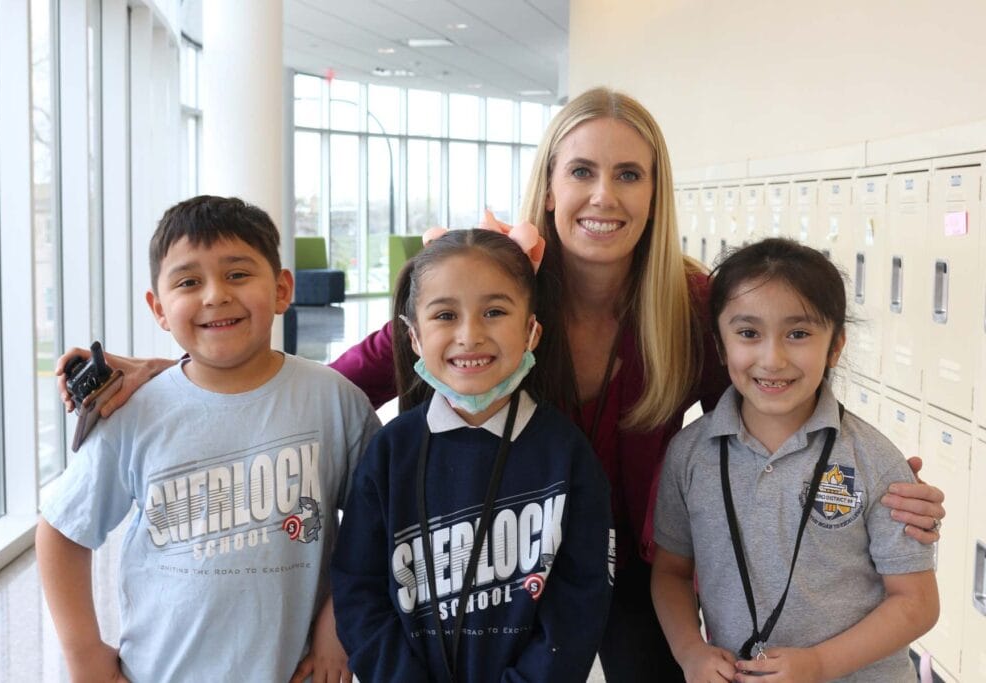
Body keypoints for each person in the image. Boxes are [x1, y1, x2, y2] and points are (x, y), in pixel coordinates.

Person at [55, 87, 946, 680]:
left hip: (635, 570)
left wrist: (865, 469)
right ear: (550, 184)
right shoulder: (499, 290)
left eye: (629, 174)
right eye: (583, 171)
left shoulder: (693, 302)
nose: (605, 195)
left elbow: (773, 388)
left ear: (653, 189)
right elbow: (334, 381)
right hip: (496, 558)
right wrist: (182, 372)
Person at [37, 195, 381, 682]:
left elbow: (379, 526)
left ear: (283, 289)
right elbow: (61, 530)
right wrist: (84, 654)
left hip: (295, 670)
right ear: (158, 308)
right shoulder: (133, 411)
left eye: (238, 274)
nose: (215, 295)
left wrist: (335, 630)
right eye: (188, 282)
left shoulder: (335, 401)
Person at [330, 227, 613, 682]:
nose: (470, 335)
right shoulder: (390, 452)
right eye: (445, 315)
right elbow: (358, 588)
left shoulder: (568, 455)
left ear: (531, 330)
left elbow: (581, 597)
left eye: (495, 311)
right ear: (414, 338)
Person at [651, 238, 939, 683]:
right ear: (721, 346)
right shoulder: (690, 455)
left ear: (835, 346)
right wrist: (691, 651)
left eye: (799, 334)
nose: (773, 358)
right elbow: (671, 572)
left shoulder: (875, 461)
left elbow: (916, 603)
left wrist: (819, 664)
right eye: (748, 334)